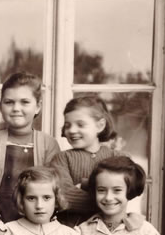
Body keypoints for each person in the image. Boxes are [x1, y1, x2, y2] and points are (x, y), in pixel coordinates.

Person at [0, 72, 60, 234]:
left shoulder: (48, 144)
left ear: (38, 106)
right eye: (9, 102)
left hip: (38, 226)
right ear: (0, 107)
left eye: (25, 102)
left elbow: (54, 188)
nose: (16, 108)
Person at [49, 95, 118, 227]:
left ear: (100, 125)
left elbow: (129, 191)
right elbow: (64, 196)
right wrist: (107, 202)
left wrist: (84, 185)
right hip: (71, 230)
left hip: (110, 230)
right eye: (67, 125)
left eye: (80, 124)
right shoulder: (61, 159)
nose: (72, 130)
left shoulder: (117, 157)